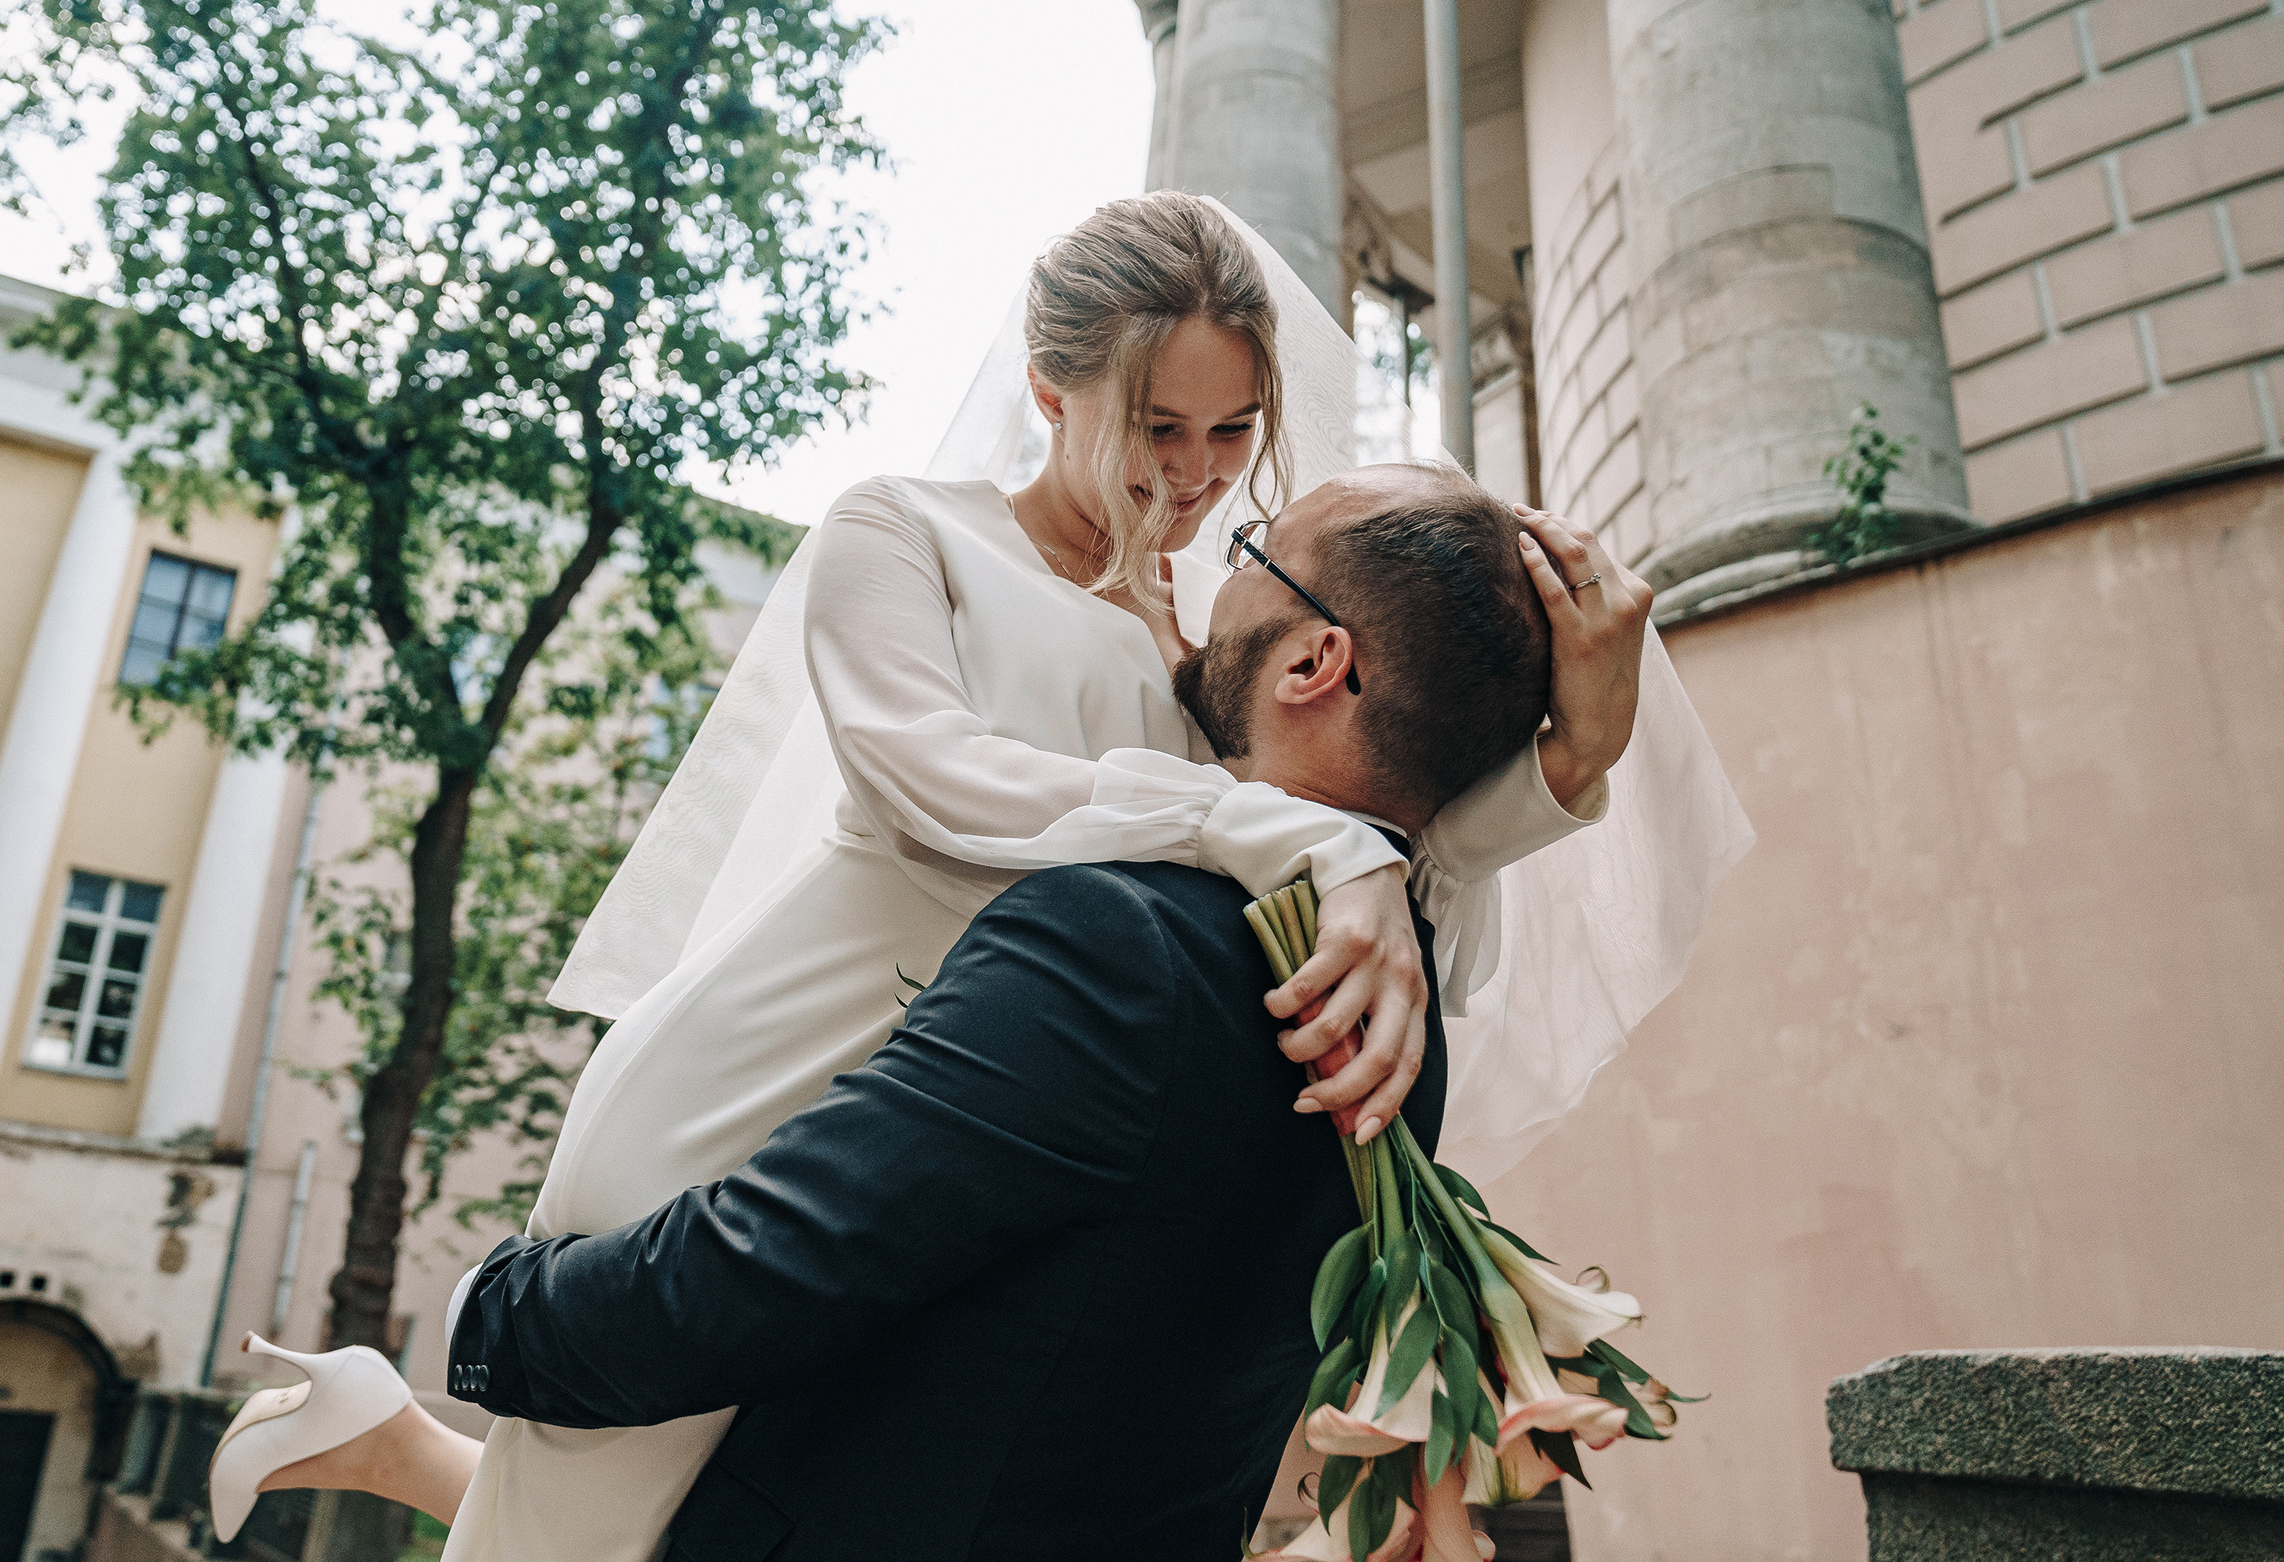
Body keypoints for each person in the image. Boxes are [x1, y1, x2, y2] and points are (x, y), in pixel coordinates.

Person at [205, 195, 1745, 1554]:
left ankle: (373, 1427)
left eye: (1233, 430)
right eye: (1159, 427)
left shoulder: (1203, 630)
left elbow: (1348, 817)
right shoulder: (904, 534)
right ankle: (381, 1423)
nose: (1199, 474)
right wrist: (1283, 834)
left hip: (945, 1109)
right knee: (582, 1525)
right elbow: (933, 781)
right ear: (1049, 388)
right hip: (764, 1068)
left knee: (698, 1509)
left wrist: (1562, 769)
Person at [441, 459, 1562, 1560]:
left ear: (1316, 661)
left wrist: (492, 1321)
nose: (1211, 585)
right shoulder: (1407, 1030)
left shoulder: (1119, 946)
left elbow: (754, 1275)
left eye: (1255, 557)